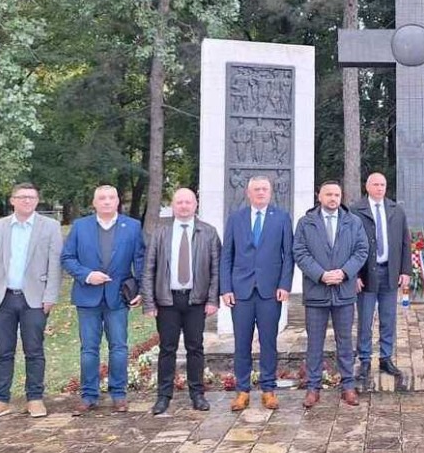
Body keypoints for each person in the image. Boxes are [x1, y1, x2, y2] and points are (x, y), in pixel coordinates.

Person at [0, 183, 63, 422]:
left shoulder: (50, 227)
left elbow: (55, 266)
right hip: (2, 299)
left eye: (32, 197)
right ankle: (0, 400)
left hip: (34, 299)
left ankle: (35, 398)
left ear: (37, 201)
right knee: (3, 351)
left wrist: (50, 296)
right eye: (22, 197)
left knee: (34, 350)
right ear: (12, 200)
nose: (27, 201)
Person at [61, 185, 145, 415]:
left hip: (118, 298)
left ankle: (119, 394)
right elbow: (67, 257)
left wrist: (141, 289)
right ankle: (89, 395)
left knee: (119, 347)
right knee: (89, 349)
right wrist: (87, 275)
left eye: (111, 197)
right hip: (88, 297)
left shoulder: (133, 227)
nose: (107, 201)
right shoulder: (80, 227)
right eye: (102, 198)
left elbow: (141, 260)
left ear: (118, 201)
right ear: (94, 202)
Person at [141, 188, 221, 416]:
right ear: (173, 205)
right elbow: (149, 268)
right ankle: (163, 396)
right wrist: (149, 302)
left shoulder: (208, 232)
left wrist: (212, 299)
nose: (184, 206)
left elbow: (216, 270)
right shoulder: (161, 232)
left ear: (196, 205)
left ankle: (197, 394)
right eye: (179, 202)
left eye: (188, 202)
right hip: (167, 300)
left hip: (196, 301)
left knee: (195, 347)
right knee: (167, 348)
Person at [292, 181, 369, 408]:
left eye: (337, 194)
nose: (333, 198)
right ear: (320, 196)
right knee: (314, 343)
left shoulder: (353, 222)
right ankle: (313, 388)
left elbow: (361, 250)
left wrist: (345, 273)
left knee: (345, 341)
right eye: (328, 194)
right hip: (317, 292)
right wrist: (321, 274)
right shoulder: (306, 223)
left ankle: (348, 386)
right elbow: (300, 251)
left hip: (344, 292)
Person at [220, 176, 294, 411]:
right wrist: (226, 288)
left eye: (265, 189)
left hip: (270, 292)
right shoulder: (236, 219)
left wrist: (285, 285)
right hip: (240, 291)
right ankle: (242, 391)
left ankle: (268, 390)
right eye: (256, 189)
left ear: (270, 193)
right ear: (248, 193)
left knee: (268, 342)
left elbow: (288, 256)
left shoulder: (281, 218)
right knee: (242, 343)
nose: (261, 193)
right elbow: (227, 256)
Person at [351, 172, 411, 385]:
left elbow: (405, 242)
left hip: (390, 272)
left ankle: (386, 357)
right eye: (375, 184)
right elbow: (349, 245)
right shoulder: (355, 211)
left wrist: (405, 271)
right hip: (366, 273)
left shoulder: (396, 210)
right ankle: (365, 359)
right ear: (367, 186)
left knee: (388, 319)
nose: (379, 188)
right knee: (365, 320)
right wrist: (354, 275)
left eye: (383, 184)